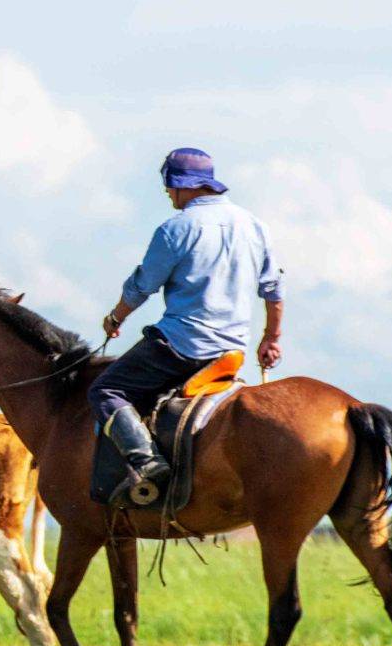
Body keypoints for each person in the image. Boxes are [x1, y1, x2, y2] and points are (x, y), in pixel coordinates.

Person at [96, 147, 283, 503]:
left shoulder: (175, 229)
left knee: (106, 391)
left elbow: (142, 286)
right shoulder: (255, 225)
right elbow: (273, 289)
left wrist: (115, 318)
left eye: (168, 185)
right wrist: (271, 338)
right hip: (232, 351)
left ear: (182, 185)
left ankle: (147, 462)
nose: (167, 193)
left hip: (182, 347)